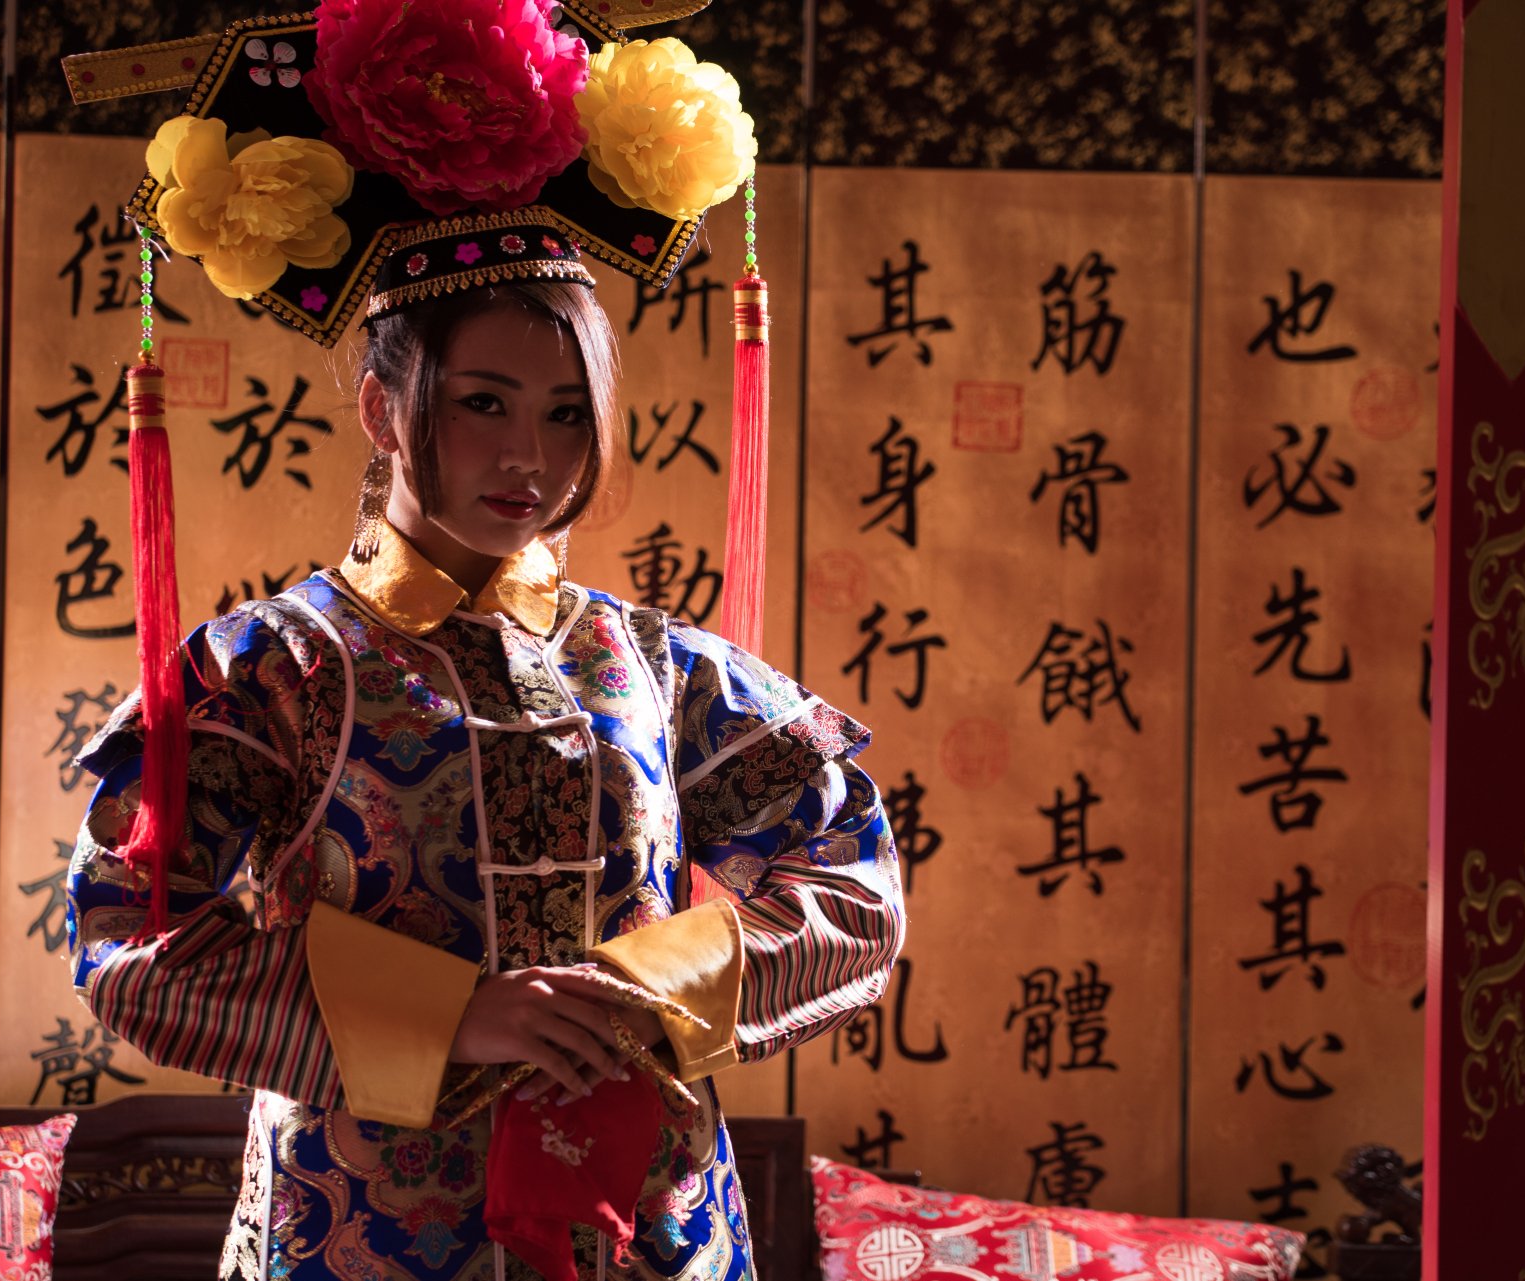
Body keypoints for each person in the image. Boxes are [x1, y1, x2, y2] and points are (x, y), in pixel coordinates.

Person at [60, 5, 903, 1279]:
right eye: (485, 403)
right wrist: (455, 1017)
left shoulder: (655, 667)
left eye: (570, 415)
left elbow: (855, 886)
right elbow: (131, 940)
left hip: (647, 1223)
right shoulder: (271, 672)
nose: (532, 458)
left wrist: (653, 985)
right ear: (383, 407)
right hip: (361, 1229)